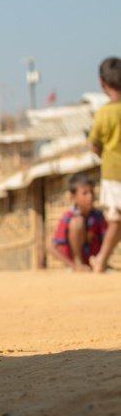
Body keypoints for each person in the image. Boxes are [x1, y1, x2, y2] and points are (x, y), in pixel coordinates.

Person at [89, 56, 121, 273]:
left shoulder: (104, 113)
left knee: (115, 220)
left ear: (102, 83)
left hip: (113, 172)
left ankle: (100, 261)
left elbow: (94, 144)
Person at [49, 173, 107, 272]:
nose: (90, 196)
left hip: (95, 263)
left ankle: (99, 262)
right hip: (75, 266)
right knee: (77, 222)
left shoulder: (98, 216)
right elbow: (50, 247)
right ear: (73, 197)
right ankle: (78, 264)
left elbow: (106, 238)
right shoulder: (68, 217)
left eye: (91, 192)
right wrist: (73, 266)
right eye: (85, 193)